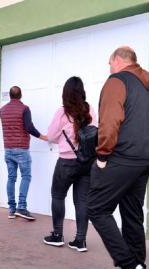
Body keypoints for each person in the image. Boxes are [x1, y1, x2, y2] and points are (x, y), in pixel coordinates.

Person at [87, 46, 149, 269]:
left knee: (97, 209)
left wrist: (102, 154)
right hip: (144, 160)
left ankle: (129, 267)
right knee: (132, 214)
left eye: (109, 63)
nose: (109, 68)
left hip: (120, 158)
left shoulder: (116, 81)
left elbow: (110, 120)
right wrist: (146, 148)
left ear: (118, 60)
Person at [42, 76, 98, 252]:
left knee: (58, 195)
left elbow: (51, 136)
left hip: (67, 161)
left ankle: (57, 235)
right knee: (82, 201)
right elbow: (93, 133)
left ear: (65, 93)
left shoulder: (63, 112)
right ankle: (80, 241)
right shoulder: (90, 109)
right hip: (86, 162)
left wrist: (62, 138)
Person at [0, 86, 46, 220]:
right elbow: (29, 127)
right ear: (21, 95)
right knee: (26, 176)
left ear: (10, 96)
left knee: (11, 178)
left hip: (8, 150)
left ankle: (11, 209)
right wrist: (42, 136)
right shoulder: (24, 109)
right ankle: (21, 207)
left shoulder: (3, 110)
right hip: (21, 149)